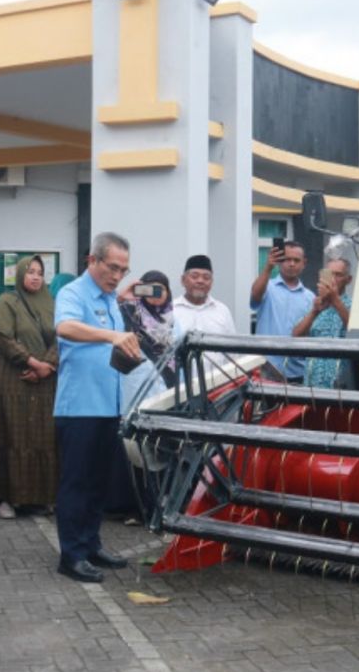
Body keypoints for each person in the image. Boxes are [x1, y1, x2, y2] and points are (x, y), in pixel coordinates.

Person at [53, 232, 138, 582]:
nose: (117, 276)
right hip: (79, 408)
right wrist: (112, 336)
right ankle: (71, 555)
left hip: (108, 406)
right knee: (76, 483)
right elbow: (65, 327)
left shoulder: (109, 300)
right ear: (93, 260)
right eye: (112, 267)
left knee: (98, 483)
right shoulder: (73, 293)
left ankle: (91, 544)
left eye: (124, 269)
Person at [0, 256, 58, 519]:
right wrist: (31, 361)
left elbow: (62, 338)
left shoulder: (52, 304)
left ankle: (37, 497)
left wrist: (46, 366)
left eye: (40, 272)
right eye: (30, 272)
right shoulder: (7, 301)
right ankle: (6, 499)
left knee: (41, 436)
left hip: (44, 382)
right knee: (11, 433)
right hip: (12, 378)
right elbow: (2, 337)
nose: (35, 277)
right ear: (20, 274)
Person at [250, 240, 314, 382]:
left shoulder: (310, 298)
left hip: (296, 371)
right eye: (286, 259)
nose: (291, 264)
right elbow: (254, 296)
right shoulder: (268, 287)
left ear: (304, 263)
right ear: (279, 261)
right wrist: (268, 267)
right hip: (266, 368)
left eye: (296, 260)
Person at [118, 269, 182, 407]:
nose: (155, 293)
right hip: (135, 393)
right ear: (141, 290)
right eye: (150, 288)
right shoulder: (126, 314)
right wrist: (120, 298)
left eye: (160, 289)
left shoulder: (174, 322)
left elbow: (179, 356)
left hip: (168, 392)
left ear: (168, 292)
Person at [292, 258, 353, 388]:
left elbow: (355, 333)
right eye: (330, 274)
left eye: (338, 275)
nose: (333, 279)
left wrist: (335, 300)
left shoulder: (353, 306)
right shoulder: (313, 303)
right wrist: (314, 311)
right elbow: (296, 335)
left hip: (341, 384)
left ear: (348, 280)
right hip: (312, 382)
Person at [172, 254, 237, 352]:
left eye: (206, 277)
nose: (200, 281)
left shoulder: (222, 310)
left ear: (211, 282)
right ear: (183, 280)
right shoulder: (171, 310)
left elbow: (232, 350)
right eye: (194, 276)